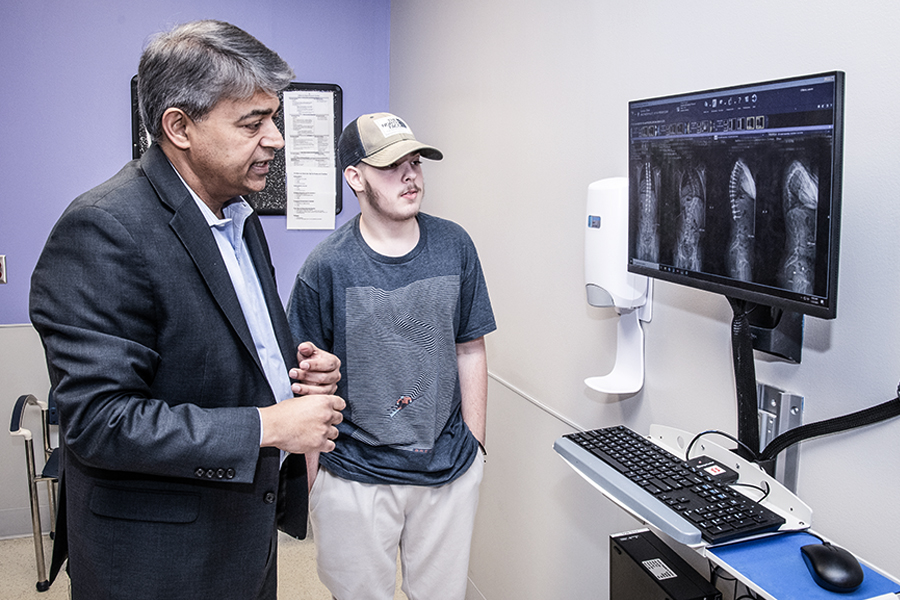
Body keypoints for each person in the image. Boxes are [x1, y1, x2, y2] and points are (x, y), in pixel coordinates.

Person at [29, 20, 346, 600]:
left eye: (273, 119)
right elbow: (100, 421)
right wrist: (270, 425)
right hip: (158, 562)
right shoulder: (103, 228)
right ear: (179, 127)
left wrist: (295, 380)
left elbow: (228, 349)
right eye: (252, 123)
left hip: (241, 535)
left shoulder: (239, 216)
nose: (275, 139)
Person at [286, 112, 496, 600]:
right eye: (391, 165)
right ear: (355, 177)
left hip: (447, 468)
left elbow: (470, 347)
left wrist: (477, 449)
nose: (410, 176)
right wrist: (314, 482)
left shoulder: (455, 246)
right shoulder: (326, 266)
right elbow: (306, 384)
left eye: (415, 162)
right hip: (355, 473)